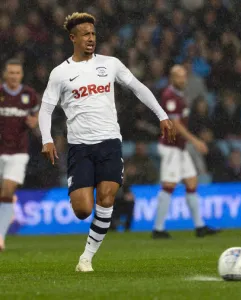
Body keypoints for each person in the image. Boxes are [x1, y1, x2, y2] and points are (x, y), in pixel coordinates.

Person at [38, 12, 176, 272]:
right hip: (79, 147)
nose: (91, 38)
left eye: (93, 33)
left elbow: (138, 87)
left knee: (107, 197)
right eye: (85, 34)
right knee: (82, 210)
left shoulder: (110, 64)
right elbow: (45, 109)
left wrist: (162, 115)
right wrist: (47, 139)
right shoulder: (60, 73)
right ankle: (83, 215)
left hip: (110, 143)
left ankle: (86, 258)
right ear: (73, 38)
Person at [152, 65, 220, 239]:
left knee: (191, 182)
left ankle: (200, 227)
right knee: (169, 185)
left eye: (184, 76)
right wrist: (196, 141)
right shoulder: (169, 96)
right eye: (178, 77)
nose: (182, 80)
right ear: (172, 78)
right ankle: (158, 229)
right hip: (170, 147)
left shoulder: (181, 95)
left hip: (179, 147)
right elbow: (175, 124)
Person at [0, 58, 39, 250]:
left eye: (17, 73)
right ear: (5, 74)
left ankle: (0, 236)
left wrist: (35, 122)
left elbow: (36, 115)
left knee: (7, 189)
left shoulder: (29, 95)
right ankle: (8, 208)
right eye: (11, 72)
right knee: (4, 194)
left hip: (18, 151)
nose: (14, 76)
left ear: (21, 75)